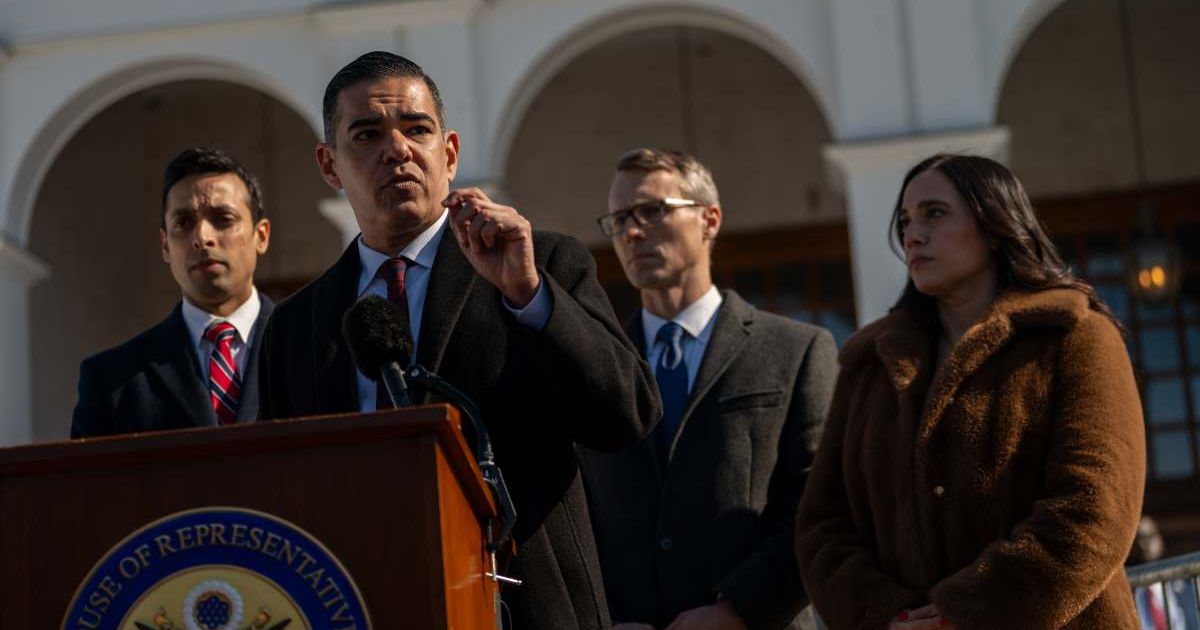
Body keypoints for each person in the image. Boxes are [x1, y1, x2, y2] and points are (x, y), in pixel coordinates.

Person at [256, 52, 660, 630]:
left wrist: (528, 296)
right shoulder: (296, 327)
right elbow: (284, 499)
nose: (397, 150)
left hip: (526, 608)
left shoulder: (540, 265)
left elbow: (625, 417)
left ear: (448, 153)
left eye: (416, 130)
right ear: (329, 165)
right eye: (367, 134)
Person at [794, 154, 1145, 629]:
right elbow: (822, 526)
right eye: (905, 221)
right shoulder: (868, 364)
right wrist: (882, 617)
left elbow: (1093, 508)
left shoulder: (1075, 336)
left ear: (994, 226)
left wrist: (968, 615)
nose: (912, 234)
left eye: (934, 214)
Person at [578, 148, 836, 630]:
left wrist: (737, 610)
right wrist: (605, 619)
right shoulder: (598, 365)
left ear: (709, 219)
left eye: (652, 211)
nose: (632, 231)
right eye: (619, 219)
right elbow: (578, 517)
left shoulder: (796, 350)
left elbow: (816, 507)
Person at [72, 147, 274, 437]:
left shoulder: (315, 347)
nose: (202, 238)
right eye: (183, 223)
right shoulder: (112, 380)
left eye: (223, 219)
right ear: (165, 245)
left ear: (261, 235)